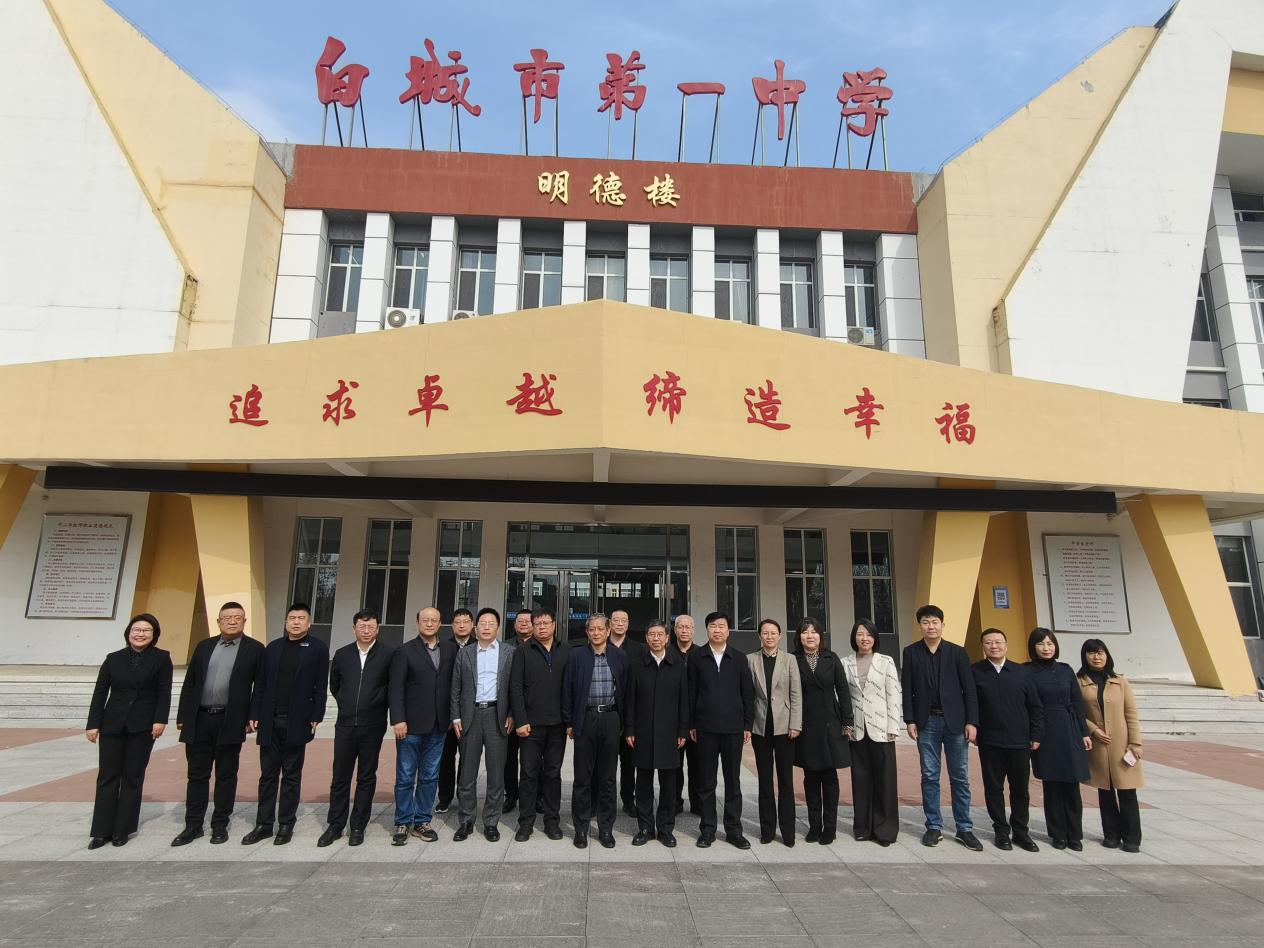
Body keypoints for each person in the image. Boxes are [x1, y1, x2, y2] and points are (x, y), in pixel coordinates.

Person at [172, 601, 264, 847]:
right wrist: (182, 715)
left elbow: (260, 687)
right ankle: (193, 825)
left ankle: (220, 824)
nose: (232, 621)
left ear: (244, 621)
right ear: (218, 621)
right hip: (199, 718)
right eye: (227, 618)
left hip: (230, 719)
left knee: (226, 774)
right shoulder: (204, 646)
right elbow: (190, 682)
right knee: (197, 775)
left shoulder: (255, 649)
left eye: (237, 617)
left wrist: (253, 715)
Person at [244, 602, 329, 845]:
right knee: (267, 776)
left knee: (291, 776)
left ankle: (285, 824)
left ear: (309, 623)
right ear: (286, 622)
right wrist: (254, 712)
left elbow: (320, 685)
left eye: (301, 618)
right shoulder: (272, 648)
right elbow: (260, 684)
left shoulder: (317, 648)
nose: (296, 622)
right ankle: (263, 824)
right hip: (269, 721)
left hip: (297, 721)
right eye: (292, 618)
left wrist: (316, 715)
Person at [85, 613, 173, 849]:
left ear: (154, 635)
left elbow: (164, 691)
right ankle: (101, 831)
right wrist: (93, 723)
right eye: (136, 630)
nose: (140, 634)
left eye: (146, 630)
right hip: (112, 724)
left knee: (133, 776)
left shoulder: (161, 658)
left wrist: (160, 719)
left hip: (142, 725)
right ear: (128, 633)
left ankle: (122, 830)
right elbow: (100, 692)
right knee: (107, 776)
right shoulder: (113, 659)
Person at [901, 604, 982, 850]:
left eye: (935, 622)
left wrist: (972, 721)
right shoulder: (911, 652)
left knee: (960, 777)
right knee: (929, 775)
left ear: (942, 625)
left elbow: (969, 690)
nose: (931, 626)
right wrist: (910, 720)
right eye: (926, 622)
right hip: (927, 722)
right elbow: (908, 688)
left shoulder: (957, 653)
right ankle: (934, 826)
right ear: (920, 626)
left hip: (955, 722)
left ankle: (964, 828)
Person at [320, 608, 396, 847]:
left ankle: (358, 825)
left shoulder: (388, 654)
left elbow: (391, 687)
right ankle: (335, 824)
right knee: (340, 777)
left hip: (372, 725)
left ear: (377, 629)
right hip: (345, 725)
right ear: (354, 629)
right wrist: (346, 703)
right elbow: (335, 685)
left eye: (371, 626)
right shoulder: (342, 654)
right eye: (362, 626)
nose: (366, 630)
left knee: (366, 776)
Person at [388, 606, 458, 845]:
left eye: (434, 620)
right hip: (410, 726)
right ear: (418, 623)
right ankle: (402, 822)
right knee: (406, 776)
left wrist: (452, 716)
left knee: (429, 776)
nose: (429, 624)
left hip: (439, 725)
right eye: (425, 620)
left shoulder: (450, 650)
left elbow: (453, 685)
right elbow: (395, 688)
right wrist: (398, 719)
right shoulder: (404, 651)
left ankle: (422, 820)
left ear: (440, 623)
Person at [970, 628, 1045, 852]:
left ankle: (1021, 831)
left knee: (1020, 789)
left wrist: (1036, 734)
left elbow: (1035, 706)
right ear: (983, 646)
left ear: (1006, 645)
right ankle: (1001, 830)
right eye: (988, 642)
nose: (994, 646)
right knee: (993, 788)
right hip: (990, 741)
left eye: (998, 642)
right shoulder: (975, 671)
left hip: (1019, 741)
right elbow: (971, 704)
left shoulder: (1022, 673)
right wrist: (973, 727)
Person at [687, 611, 754, 849]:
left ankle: (734, 830)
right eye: (713, 626)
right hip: (705, 728)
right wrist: (691, 724)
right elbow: (691, 692)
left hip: (733, 729)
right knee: (706, 782)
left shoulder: (739, 658)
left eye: (722, 626)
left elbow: (748, 694)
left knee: (733, 781)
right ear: (707, 630)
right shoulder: (696, 657)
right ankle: (707, 829)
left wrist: (747, 724)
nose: (717, 630)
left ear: (728, 630)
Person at [562, 613, 629, 848]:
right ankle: (581, 828)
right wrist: (569, 722)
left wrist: (625, 723)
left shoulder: (619, 656)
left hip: (611, 718)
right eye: (592, 629)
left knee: (608, 778)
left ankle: (606, 828)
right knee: (582, 777)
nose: (596, 633)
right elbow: (567, 690)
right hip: (586, 718)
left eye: (601, 629)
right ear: (587, 632)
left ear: (608, 631)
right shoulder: (576, 656)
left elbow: (626, 691)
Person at [450, 607, 516, 842]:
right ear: (476, 628)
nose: (487, 627)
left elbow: (515, 687)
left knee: (496, 775)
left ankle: (491, 822)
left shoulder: (509, 652)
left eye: (491, 623)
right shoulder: (465, 653)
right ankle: (466, 820)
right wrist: (456, 717)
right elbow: (455, 688)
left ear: (498, 627)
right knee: (467, 774)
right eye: (483, 623)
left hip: (498, 716)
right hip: (471, 717)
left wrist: (512, 714)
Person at [624, 619, 688, 848]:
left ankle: (666, 829)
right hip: (643, 732)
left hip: (670, 733)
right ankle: (645, 828)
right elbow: (629, 700)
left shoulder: (677, 664)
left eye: (660, 634)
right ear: (646, 638)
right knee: (643, 783)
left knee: (669, 784)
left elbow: (684, 700)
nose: (656, 638)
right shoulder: (636, 664)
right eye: (652, 634)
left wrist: (683, 729)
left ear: (667, 638)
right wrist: (629, 728)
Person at [510, 607, 572, 841]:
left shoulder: (566, 650)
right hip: (531, 726)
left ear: (554, 625)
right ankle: (525, 823)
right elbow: (515, 687)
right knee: (528, 774)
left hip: (558, 725)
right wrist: (520, 720)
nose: (542, 627)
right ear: (533, 627)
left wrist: (569, 721)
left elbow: (571, 687)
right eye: (538, 624)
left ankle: (552, 822)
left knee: (553, 774)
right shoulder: (523, 651)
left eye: (546, 623)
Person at [1027, 628, 1091, 850]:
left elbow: (1077, 702)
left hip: (1068, 727)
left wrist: (1084, 732)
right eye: (1041, 644)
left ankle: (1075, 834)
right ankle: (1058, 834)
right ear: (1033, 647)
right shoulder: (1026, 671)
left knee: (1072, 783)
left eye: (1050, 643)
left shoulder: (1065, 670)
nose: (1046, 648)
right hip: (1044, 731)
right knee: (1052, 784)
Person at [1078, 639, 1144, 853]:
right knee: (1105, 793)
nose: (1096, 657)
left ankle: (1132, 838)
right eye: (1091, 653)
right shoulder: (1079, 682)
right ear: (1084, 656)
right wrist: (1093, 730)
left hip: (1122, 745)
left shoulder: (1119, 681)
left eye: (1100, 652)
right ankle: (1111, 835)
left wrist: (1135, 742)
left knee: (1127, 792)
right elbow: (1076, 711)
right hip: (1098, 745)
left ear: (1107, 655)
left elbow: (1131, 713)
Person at [793, 617, 853, 844]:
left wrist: (847, 722)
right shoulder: (794, 659)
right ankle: (814, 826)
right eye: (805, 632)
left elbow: (843, 690)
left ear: (820, 636)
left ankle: (830, 827)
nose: (810, 636)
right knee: (810, 777)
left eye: (814, 632)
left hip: (830, 723)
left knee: (829, 777)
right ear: (799, 637)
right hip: (807, 724)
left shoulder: (831, 658)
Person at [842, 618, 902, 846]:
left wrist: (893, 726)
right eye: (860, 634)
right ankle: (863, 827)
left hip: (881, 728)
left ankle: (885, 829)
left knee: (885, 780)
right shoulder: (845, 662)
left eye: (868, 634)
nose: (864, 638)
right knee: (860, 779)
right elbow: (842, 697)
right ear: (854, 637)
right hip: (857, 730)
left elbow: (893, 694)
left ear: (875, 638)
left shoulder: (886, 662)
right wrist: (846, 725)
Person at [747, 618, 802, 846]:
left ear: (780, 636)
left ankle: (788, 832)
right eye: (765, 633)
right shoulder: (751, 660)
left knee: (786, 780)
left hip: (785, 727)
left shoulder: (789, 660)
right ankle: (767, 830)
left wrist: (795, 724)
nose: (769, 637)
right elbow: (748, 695)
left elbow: (796, 694)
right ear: (759, 636)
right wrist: (747, 725)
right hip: (760, 727)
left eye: (773, 633)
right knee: (765, 780)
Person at [436, 607, 476, 813]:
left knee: (467, 757)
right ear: (452, 626)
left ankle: (464, 796)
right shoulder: (443, 647)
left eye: (465, 621)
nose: (462, 625)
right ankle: (444, 797)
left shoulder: (479, 646)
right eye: (458, 622)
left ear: (472, 625)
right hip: (447, 714)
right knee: (446, 757)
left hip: (470, 713)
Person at [608, 608, 644, 818]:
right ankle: (603, 799)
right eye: (616, 620)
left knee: (629, 762)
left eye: (624, 620)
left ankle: (628, 800)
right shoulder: (600, 644)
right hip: (607, 713)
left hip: (630, 714)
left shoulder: (639, 649)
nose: (620, 623)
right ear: (610, 623)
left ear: (628, 624)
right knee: (605, 761)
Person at [503, 608, 536, 814]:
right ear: (514, 625)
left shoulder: (541, 645)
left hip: (533, 712)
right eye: (519, 621)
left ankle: (535, 796)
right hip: (508, 713)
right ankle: (511, 795)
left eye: (527, 621)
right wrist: (510, 712)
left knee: (533, 759)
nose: (523, 623)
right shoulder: (505, 647)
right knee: (508, 757)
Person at [670, 614, 701, 816]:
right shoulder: (667, 653)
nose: (684, 630)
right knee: (675, 765)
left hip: (697, 719)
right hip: (673, 719)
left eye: (687, 627)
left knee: (698, 765)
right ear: (675, 631)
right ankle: (674, 802)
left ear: (693, 631)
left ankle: (697, 803)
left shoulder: (701, 654)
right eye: (680, 627)